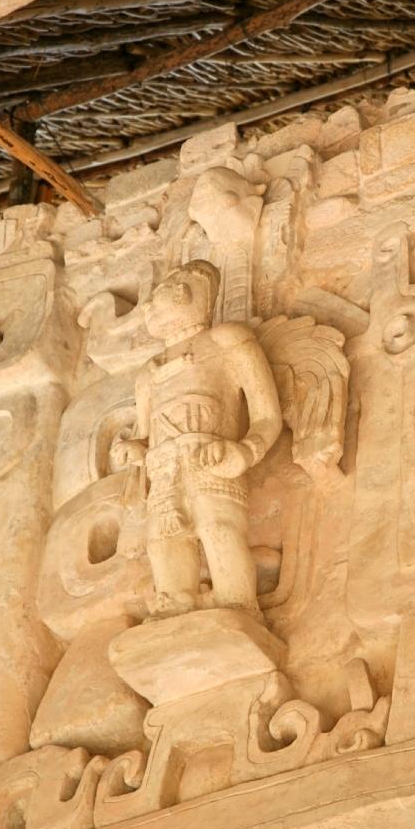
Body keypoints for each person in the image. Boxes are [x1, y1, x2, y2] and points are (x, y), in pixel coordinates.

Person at [112, 260, 282, 617]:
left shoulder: (227, 340)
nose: (147, 307)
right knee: (163, 540)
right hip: (163, 469)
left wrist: (245, 452)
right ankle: (174, 607)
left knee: (218, 528)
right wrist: (134, 451)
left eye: (156, 296)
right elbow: (145, 436)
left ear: (183, 292)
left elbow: (267, 415)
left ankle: (238, 606)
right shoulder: (148, 373)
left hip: (210, 457)